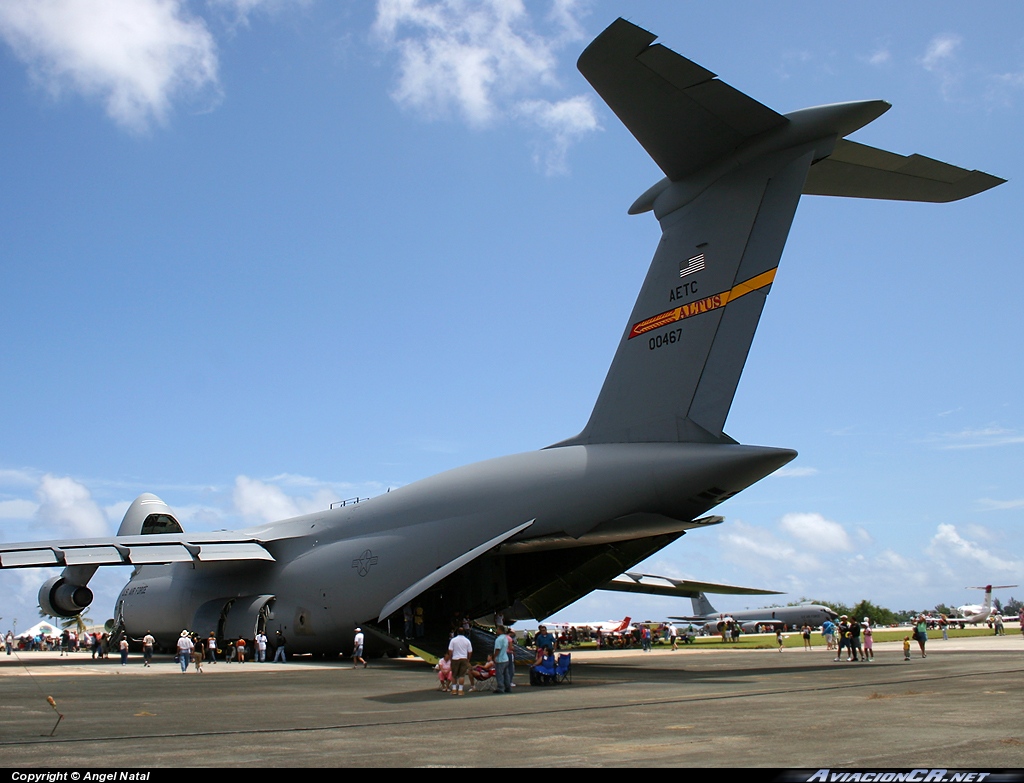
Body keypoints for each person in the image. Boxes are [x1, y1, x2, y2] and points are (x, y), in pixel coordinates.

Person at [448, 628, 473, 696]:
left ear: (457, 632)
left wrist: (451, 658)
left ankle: (454, 690)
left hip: (455, 658)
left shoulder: (453, 640)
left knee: (454, 675)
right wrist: (468, 659)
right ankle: (460, 690)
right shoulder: (467, 641)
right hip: (464, 658)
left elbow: (450, 650)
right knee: (462, 675)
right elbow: (470, 651)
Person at [493, 625, 513, 694]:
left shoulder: (498, 639)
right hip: (505, 658)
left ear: (499, 630)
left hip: (500, 659)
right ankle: (508, 687)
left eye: (497, 629)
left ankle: (500, 688)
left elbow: (497, 649)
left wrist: (494, 657)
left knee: (499, 674)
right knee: (506, 674)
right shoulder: (505, 638)